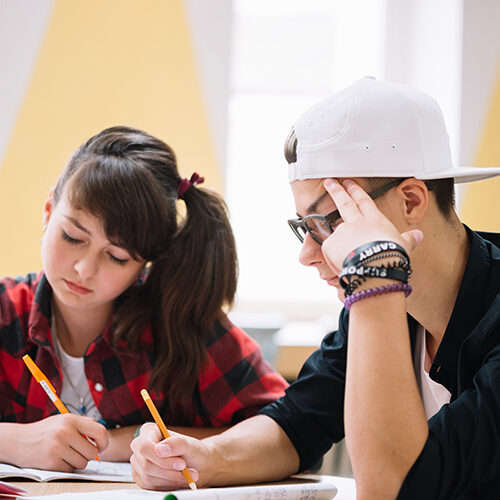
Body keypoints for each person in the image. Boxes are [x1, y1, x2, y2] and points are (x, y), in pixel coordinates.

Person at [129, 77, 500, 499]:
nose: (308, 253)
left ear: (412, 201)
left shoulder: (377, 286)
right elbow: (297, 423)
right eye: (303, 227)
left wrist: (375, 273)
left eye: (332, 221)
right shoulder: (377, 300)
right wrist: (205, 458)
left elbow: (392, 489)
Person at [0, 125, 288, 472]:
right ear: (48, 212)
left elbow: (287, 431)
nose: (83, 268)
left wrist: (130, 441)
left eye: (117, 256)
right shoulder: (6, 311)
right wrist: (14, 441)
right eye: (73, 236)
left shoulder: (178, 320)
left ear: (143, 264)